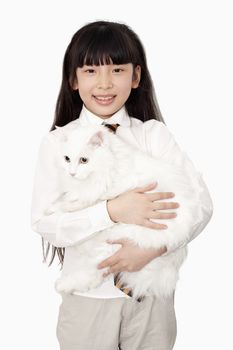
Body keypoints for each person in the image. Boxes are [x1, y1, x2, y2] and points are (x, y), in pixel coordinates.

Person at [30, 20, 213, 350]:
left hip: (151, 299)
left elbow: (200, 204)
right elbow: (45, 223)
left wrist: (153, 249)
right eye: (90, 71)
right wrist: (111, 211)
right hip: (89, 301)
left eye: (116, 70)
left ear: (136, 76)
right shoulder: (58, 143)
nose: (104, 83)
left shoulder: (153, 136)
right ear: (73, 79)